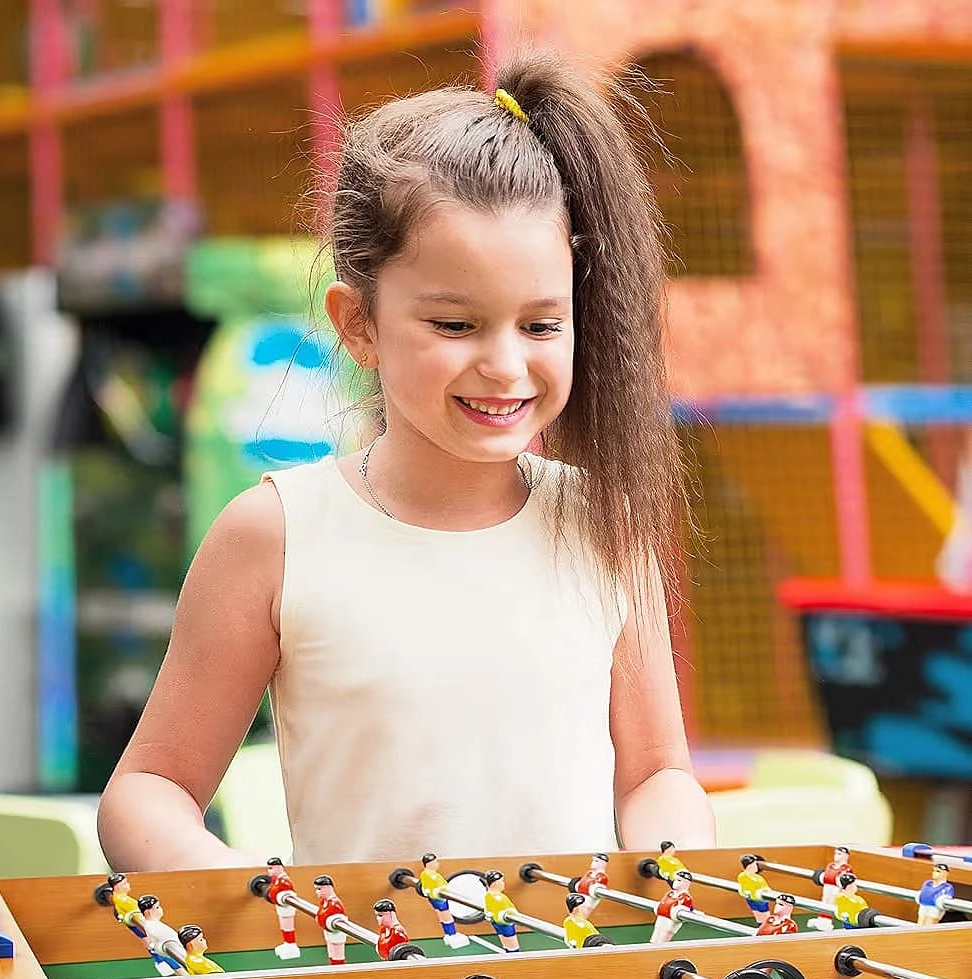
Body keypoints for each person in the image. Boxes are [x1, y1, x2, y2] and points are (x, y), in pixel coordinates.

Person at [96, 48, 716, 871]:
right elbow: (149, 790)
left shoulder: (604, 522)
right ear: (359, 325)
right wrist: (257, 899)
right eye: (455, 325)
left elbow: (656, 773)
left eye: (540, 325)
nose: (504, 365)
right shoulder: (276, 533)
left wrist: (676, 867)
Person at [418, 853, 469, 949]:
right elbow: (433, 887)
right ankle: (452, 934)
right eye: (435, 862)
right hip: (439, 899)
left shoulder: (429, 874)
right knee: (447, 917)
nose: (437, 864)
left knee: (443, 916)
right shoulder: (430, 875)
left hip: (437, 897)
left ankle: (448, 934)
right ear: (429, 863)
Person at [136, 894, 187, 976]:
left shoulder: (152, 925)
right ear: (148, 911)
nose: (160, 909)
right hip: (179, 958)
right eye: (157, 907)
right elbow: (172, 948)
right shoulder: (155, 928)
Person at [809, 846, 852, 932]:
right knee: (824, 900)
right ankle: (821, 919)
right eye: (835, 853)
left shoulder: (845, 868)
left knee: (831, 903)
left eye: (839, 854)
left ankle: (827, 922)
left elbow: (844, 880)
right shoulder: (831, 865)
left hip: (836, 889)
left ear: (846, 856)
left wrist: (840, 888)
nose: (836, 856)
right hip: (827, 885)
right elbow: (825, 875)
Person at [650, 869, 694, 944]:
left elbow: (690, 909)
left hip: (670, 921)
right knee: (655, 937)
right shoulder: (670, 893)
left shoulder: (685, 897)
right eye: (675, 879)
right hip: (662, 917)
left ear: (686, 883)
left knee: (663, 939)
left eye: (679, 880)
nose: (675, 882)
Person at [484, 870, 521, 953]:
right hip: (505, 923)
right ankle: (514, 958)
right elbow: (510, 909)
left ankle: (509, 953)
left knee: (505, 942)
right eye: (502, 881)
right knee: (512, 945)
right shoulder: (499, 898)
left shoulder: (488, 895)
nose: (503, 883)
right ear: (495, 883)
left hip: (496, 921)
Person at [736, 854, 771, 926]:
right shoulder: (744, 876)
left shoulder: (756, 877)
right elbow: (743, 887)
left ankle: (763, 929)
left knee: (763, 917)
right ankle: (763, 929)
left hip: (758, 899)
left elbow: (765, 887)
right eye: (755, 864)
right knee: (762, 916)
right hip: (755, 899)